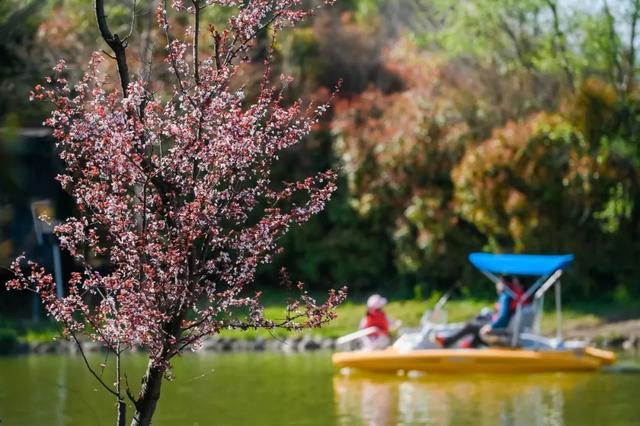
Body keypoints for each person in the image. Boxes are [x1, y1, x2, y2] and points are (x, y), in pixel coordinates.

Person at [433, 276, 526, 348]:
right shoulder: (507, 296)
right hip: (503, 327)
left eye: (498, 282)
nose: (497, 285)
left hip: (501, 330)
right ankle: (469, 346)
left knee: (471, 326)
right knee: (476, 323)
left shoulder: (506, 296)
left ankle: (448, 342)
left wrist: (491, 326)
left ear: (503, 283)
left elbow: (503, 317)